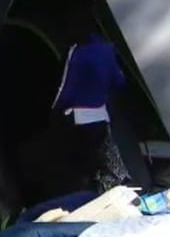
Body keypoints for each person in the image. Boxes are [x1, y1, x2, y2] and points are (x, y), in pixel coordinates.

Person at [52, 28, 130, 193]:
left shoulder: (76, 52)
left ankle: (85, 192)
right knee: (107, 160)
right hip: (101, 116)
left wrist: (55, 110)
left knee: (81, 163)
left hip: (78, 118)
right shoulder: (107, 50)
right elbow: (119, 81)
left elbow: (65, 86)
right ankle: (117, 190)